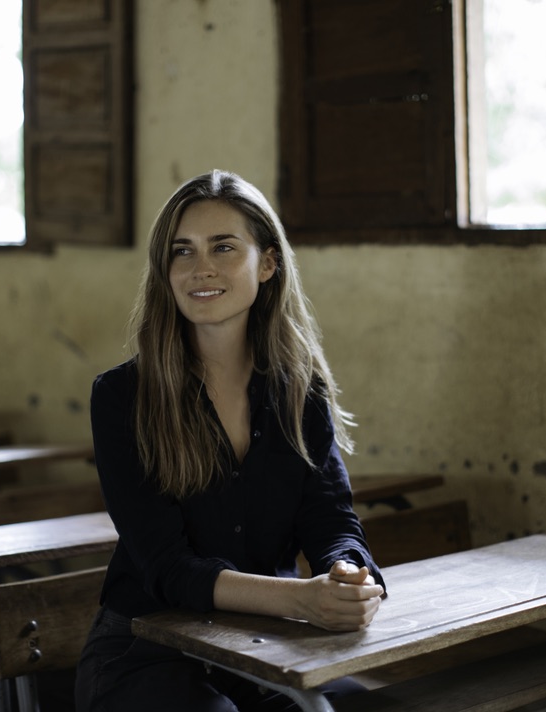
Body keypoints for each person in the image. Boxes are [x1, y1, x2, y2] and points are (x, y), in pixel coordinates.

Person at [75, 170, 386, 711]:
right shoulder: (122, 395)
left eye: (223, 247)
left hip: (265, 642)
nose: (201, 269)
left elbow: (332, 519)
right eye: (182, 252)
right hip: (147, 652)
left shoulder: (299, 386)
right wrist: (304, 600)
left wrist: (347, 574)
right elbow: (168, 568)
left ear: (267, 263)